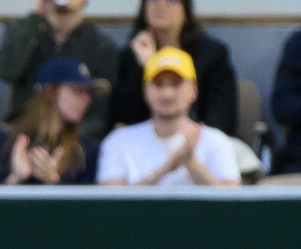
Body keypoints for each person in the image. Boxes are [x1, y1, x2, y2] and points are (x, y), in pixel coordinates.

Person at [0, 0, 119, 147]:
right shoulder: (25, 31)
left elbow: (100, 114)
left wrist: (62, 142)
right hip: (22, 137)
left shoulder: (102, 46)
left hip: (77, 144)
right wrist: (36, 16)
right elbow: (5, 71)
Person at [109, 0, 241, 142]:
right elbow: (123, 117)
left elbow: (222, 116)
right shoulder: (129, 56)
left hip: (199, 141)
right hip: (145, 143)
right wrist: (145, 67)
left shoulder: (212, 54)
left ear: (186, 11)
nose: (161, 5)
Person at [96, 45, 237, 185]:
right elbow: (112, 204)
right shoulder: (118, 141)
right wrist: (165, 169)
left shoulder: (216, 141)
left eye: (176, 84)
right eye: (158, 84)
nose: (167, 93)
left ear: (193, 90)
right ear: (145, 92)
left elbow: (232, 203)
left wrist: (191, 162)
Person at [0, 57, 97, 186]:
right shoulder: (1, 138)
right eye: (77, 90)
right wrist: (14, 179)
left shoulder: (86, 150)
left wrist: (54, 184)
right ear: (49, 92)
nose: (87, 99)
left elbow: (89, 204)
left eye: (89, 92)